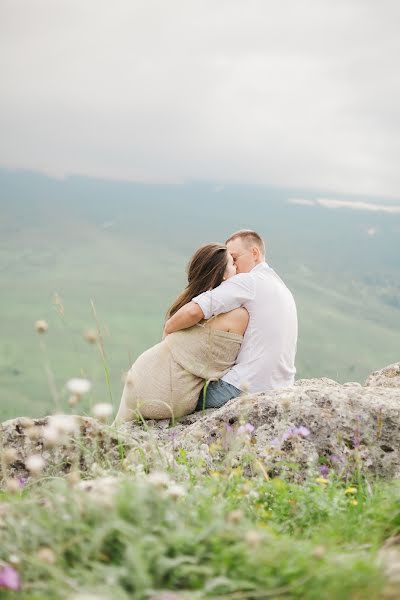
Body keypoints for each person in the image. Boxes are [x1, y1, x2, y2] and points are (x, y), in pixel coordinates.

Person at [113, 243, 248, 424]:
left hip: (143, 378)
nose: (237, 267)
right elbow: (221, 360)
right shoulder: (235, 315)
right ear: (223, 274)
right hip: (161, 391)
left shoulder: (193, 307)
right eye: (232, 263)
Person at [164, 229, 298, 410]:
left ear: (255, 253)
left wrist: (168, 329)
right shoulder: (280, 287)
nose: (232, 266)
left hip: (244, 386)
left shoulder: (249, 281)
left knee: (173, 401)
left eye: (234, 258)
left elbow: (193, 311)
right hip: (282, 387)